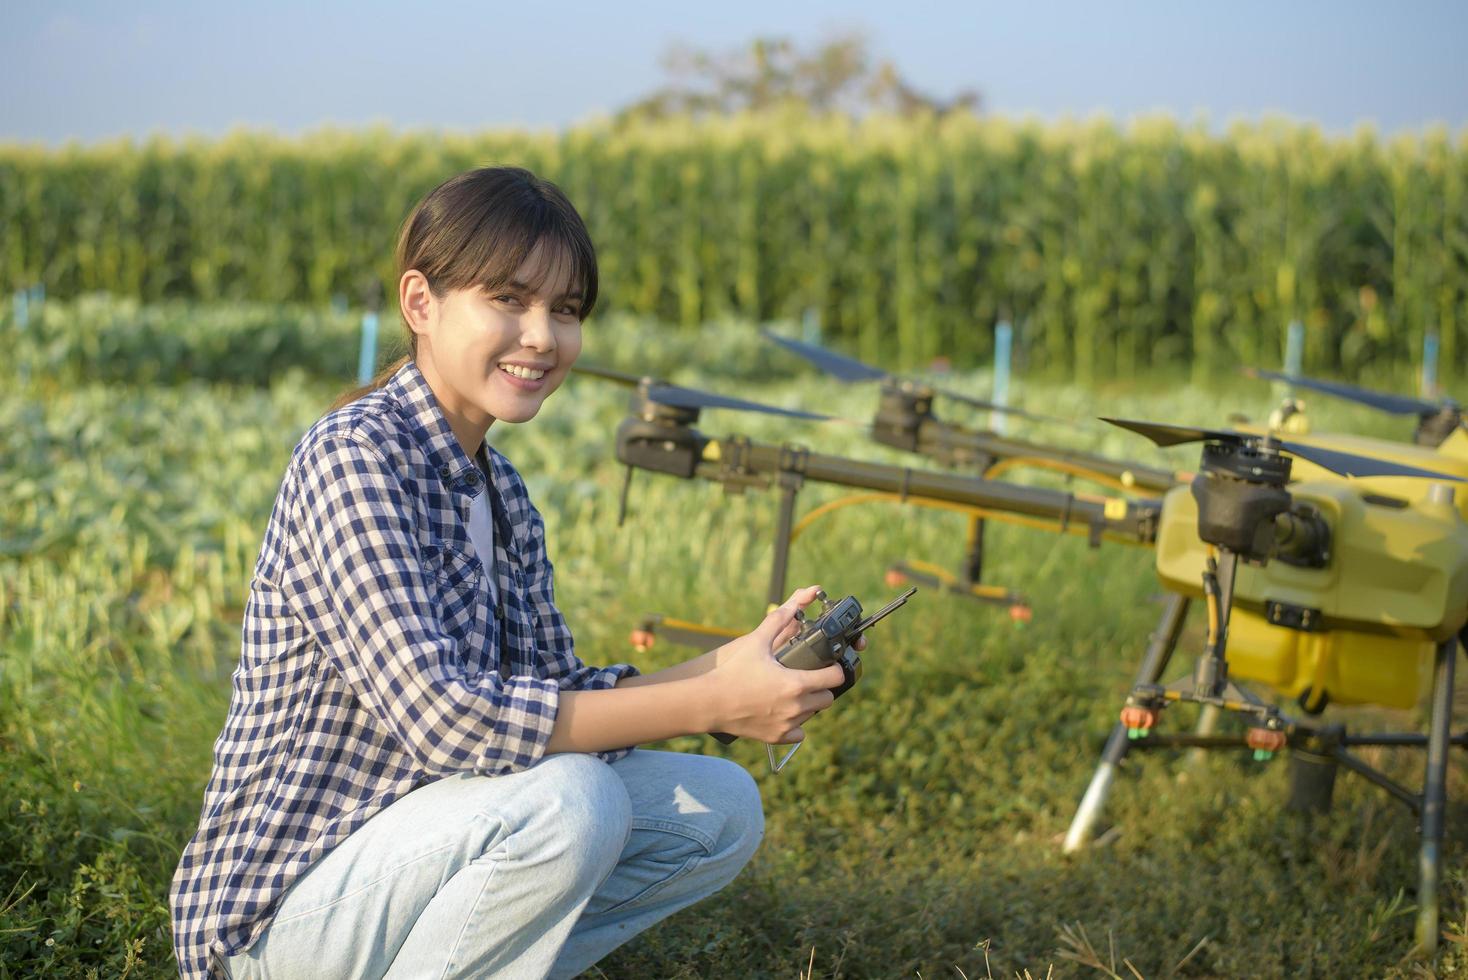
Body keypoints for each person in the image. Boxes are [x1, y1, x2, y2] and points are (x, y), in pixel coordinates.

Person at [168, 166, 851, 980]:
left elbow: (560, 698)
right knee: (570, 806)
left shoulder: (503, 493)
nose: (541, 336)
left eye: (566, 311)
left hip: (426, 851)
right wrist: (708, 699)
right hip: (278, 913)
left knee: (720, 810)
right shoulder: (355, 457)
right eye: (509, 299)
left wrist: (736, 675)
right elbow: (445, 719)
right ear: (420, 302)